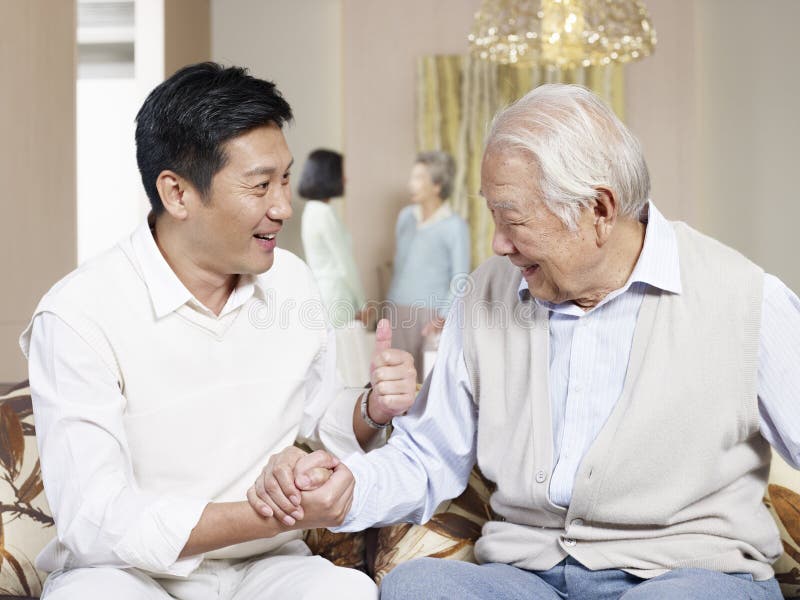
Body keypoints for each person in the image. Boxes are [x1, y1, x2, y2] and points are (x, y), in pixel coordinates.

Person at [249, 84, 800, 600]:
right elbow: (427, 454)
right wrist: (348, 487)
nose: (498, 244)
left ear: (600, 210)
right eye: (491, 215)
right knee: (419, 587)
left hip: (687, 576)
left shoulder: (746, 300)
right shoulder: (487, 293)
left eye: (513, 220)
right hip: (529, 578)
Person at [19, 62, 416, 600]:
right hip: (124, 572)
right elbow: (97, 521)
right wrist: (269, 515)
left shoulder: (293, 282)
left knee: (346, 592)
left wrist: (373, 410)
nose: (283, 206)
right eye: (259, 186)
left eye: (284, 178)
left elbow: (322, 420)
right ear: (177, 194)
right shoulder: (78, 314)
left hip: (267, 564)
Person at [386, 151, 470, 380]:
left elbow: (461, 277)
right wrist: (389, 308)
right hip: (398, 310)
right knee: (395, 380)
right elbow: (400, 267)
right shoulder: (405, 217)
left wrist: (442, 317)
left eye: (419, 178)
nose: (411, 184)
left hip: (432, 316)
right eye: (412, 177)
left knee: (428, 382)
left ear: (437, 185)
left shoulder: (455, 226)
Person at [299, 149, 371, 386]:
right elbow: (345, 264)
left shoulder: (311, 211)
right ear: (328, 175)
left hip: (323, 294)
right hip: (338, 296)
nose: (345, 179)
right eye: (341, 173)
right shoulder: (325, 213)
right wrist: (362, 303)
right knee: (346, 364)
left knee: (333, 361)